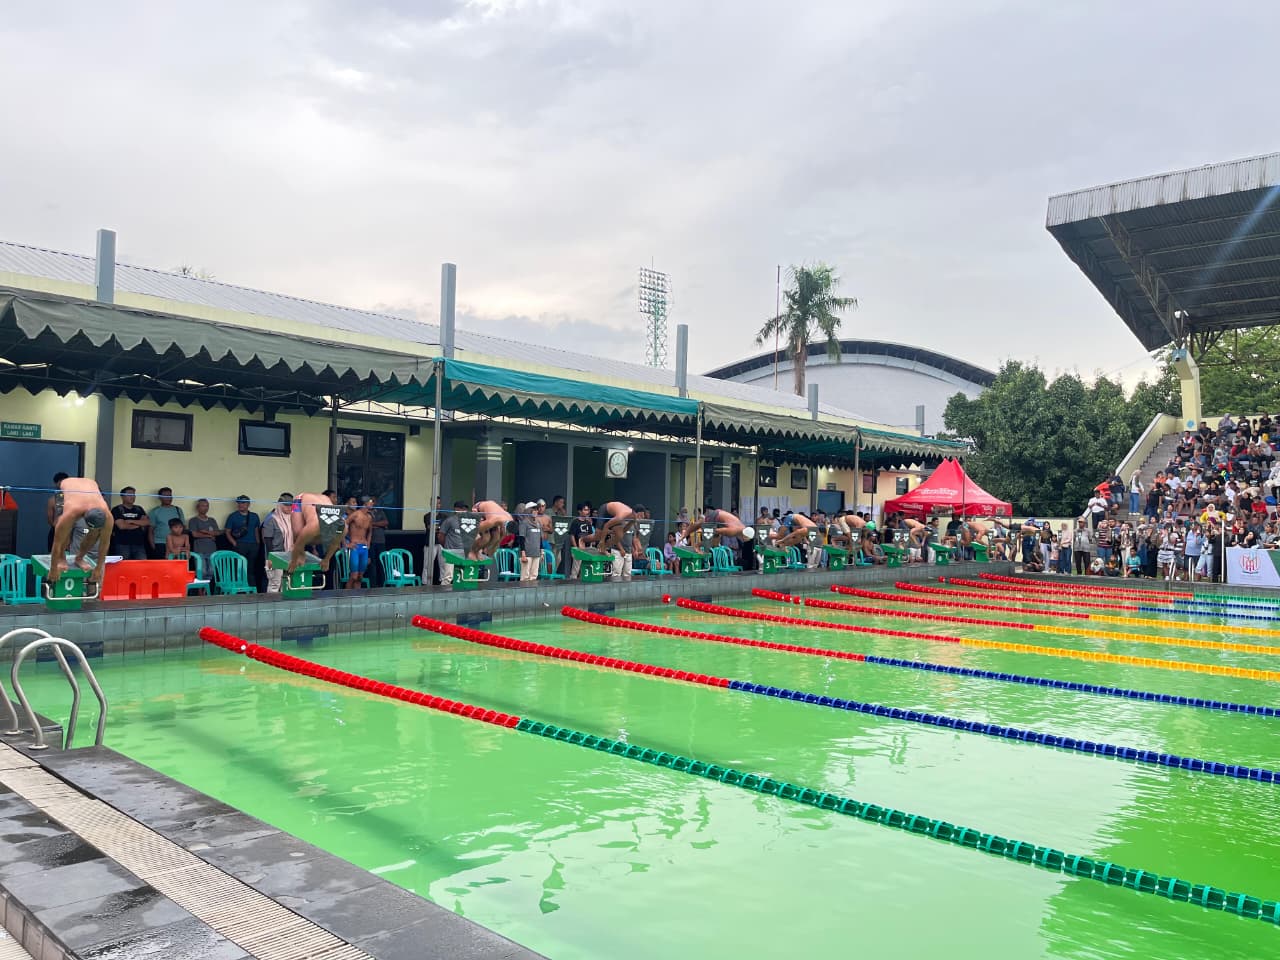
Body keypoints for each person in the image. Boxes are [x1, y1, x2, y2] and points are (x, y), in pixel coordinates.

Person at [48, 477, 114, 584]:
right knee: (62, 530)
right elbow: (57, 542)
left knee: (93, 534)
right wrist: (53, 568)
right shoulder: (71, 512)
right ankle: (62, 558)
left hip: (89, 484)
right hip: (63, 492)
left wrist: (98, 567)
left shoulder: (108, 516)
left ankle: (79, 558)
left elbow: (105, 543)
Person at [287, 492, 346, 574]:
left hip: (324, 499)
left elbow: (335, 544)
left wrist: (326, 559)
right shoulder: (315, 525)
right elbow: (298, 542)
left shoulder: (342, 527)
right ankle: (301, 554)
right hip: (300, 500)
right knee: (298, 533)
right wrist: (294, 561)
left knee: (313, 539)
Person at [260, 493, 295, 593]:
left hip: (288, 554)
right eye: (286, 505)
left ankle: (285, 602)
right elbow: (267, 540)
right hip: (275, 555)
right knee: (275, 583)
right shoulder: (271, 519)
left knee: (287, 582)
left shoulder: (292, 518)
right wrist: (271, 558)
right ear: (280, 505)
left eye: (290, 505)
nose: (289, 508)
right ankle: (272, 602)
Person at [226, 495, 261, 584]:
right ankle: (239, 588)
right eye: (239, 503)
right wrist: (234, 543)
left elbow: (256, 530)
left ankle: (251, 588)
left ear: (248, 504)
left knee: (251, 568)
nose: (240, 505)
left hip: (253, 545)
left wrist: (258, 543)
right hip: (240, 545)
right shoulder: (233, 516)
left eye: (243, 503)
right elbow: (227, 531)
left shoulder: (254, 516)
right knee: (238, 568)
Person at [110, 486, 151, 560]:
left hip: (139, 544)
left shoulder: (139, 509)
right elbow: (122, 526)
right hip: (122, 544)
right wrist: (139, 524)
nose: (132, 497)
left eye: (133, 494)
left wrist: (130, 521)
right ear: (122, 497)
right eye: (129, 494)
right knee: (124, 565)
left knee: (142, 564)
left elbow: (147, 522)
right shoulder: (117, 509)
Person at [436, 501, 468, 585]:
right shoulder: (450, 520)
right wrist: (446, 547)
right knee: (448, 577)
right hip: (450, 552)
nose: (464, 510)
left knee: (462, 576)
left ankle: (459, 592)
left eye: (465, 509)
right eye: (462, 508)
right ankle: (443, 592)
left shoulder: (467, 522)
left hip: (463, 552)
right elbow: (441, 536)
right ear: (456, 509)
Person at [148, 487, 184, 559]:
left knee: (176, 565)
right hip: (160, 544)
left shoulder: (178, 510)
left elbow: (183, 528)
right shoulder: (155, 511)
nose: (168, 498)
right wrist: (154, 547)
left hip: (176, 544)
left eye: (170, 495)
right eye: (165, 496)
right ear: (160, 497)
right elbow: (150, 531)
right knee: (162, 565)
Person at [344, 499, 372, 589]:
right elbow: (342, 525)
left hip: (364, 547)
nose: (372, 505)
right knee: (354, 576)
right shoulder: (355, 514)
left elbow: (370, 531)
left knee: (360, 577)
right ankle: (346, 596)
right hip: (355, 546)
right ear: (364, 504)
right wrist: (345, 543)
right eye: (370, 503)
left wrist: (368, 542)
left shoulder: (369, 517)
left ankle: (357, 596)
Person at [187, 498, 221, 564]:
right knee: (202, 569)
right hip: (199, 551)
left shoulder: (212, 520)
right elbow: (195, 534)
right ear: (197, 507)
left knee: (212, 569)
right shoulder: (193, 520)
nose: (205, 508)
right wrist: (210, 535)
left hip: (212, 550)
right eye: (203, 506)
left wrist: (206, 532)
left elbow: (218, 532)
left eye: (207, 506)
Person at [365, 496, 389, 586]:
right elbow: (366, 525)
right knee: (372, 564)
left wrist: (373, 524)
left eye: (374, 501)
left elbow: (386, 522)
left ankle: (382, 584)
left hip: (380, 541)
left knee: (382, 563)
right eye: (371, 501)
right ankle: (373, 585)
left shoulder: (380, 511)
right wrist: (378, 525)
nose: (373, 503)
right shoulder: (365, 512)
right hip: (370, 542)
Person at [519, 502, 543, 581]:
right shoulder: (524, 523)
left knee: (534, 576)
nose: (536, 511)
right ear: (528, 511)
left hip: (536, 554)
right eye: (533, 509)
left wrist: (542, 552)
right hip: (527, 554)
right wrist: (523, 554)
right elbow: (521, 538)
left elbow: (540, 539)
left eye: (536, 509)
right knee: (525, 577)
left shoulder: (538, 523)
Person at [46, 471, 69, 551]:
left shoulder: (71, 498)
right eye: (60, 482)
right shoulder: (55, 499)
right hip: (57, 531)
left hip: (68, 531)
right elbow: (50, 519)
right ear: (56, 483)